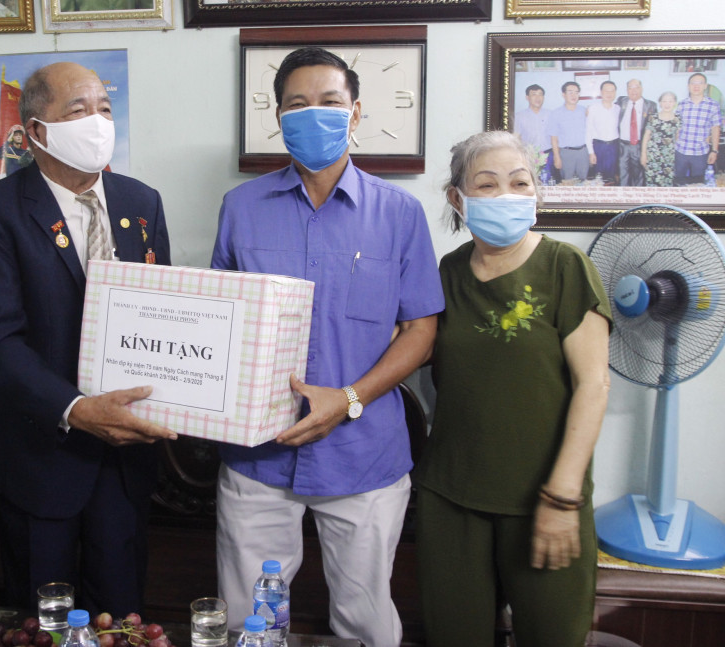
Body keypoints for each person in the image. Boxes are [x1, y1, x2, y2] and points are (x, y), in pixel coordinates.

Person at [211, 47, 443, 647]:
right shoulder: (240, 208)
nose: (314, 113)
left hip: (363, 455)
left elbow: (421, 331)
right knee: (248, 625)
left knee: (367, 623)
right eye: (298, 103)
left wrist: (349, 399)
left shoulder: (400, 213)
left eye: (330, 102)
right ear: (278, 117)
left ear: (355, 113)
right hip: (258, 457)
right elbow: (218, 319)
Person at [0, 61, 176, 615]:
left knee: (121, 617)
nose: (98, 121)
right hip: (39, 456)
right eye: (79, 111)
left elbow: (165, 317)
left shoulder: (141, 202)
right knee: (42, 621)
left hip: (124, 457)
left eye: (105, 108)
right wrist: (77, 409)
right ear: (36, 131)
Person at [415, 130, 612, 647]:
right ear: (458, 198)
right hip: (451, 495)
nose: (505, 195)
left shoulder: (566, 267)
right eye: (486, 184)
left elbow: (594, 385)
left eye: (520, 183)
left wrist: (562, 498)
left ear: (536, 192)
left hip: (545, 499)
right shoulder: (447, 272)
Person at [674, 72, 721, 185]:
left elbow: (715, 128)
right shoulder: (681, 104)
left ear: (705, 86)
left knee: (698, 184)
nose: (696, 86)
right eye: (693, 83)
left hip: (700, 153)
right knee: (678, 183)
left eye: (700, 83)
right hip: (681, 151)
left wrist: (714, 151)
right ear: (688, 86)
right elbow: (676, 127)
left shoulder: (713, 105)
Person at [615, 79, 658, 186]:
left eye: (637, 87)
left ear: (642, 88)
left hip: (639, 146)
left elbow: (654, 127)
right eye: (630, 88)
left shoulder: (651, 105)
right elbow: (608, 107)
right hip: (622, 146)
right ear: (627, 90)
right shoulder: (621, 101)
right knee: (622, 174)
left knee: (639, 176)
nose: (633, 90)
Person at [548, 81, 588, 183]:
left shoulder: (585, 111)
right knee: (567, 182)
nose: (574, 95)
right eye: (570, 92)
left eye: (576, 92)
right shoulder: (556, 113)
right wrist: (557, 157)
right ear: (563, 94)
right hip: (566, 153)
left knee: (584, 181)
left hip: (583, 152)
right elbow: (554, 138)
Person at [641, 91, 682, 187]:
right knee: (652, 183)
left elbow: (677, 137)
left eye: (670, 101)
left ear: (675, 103)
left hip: (669, 158)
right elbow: (646, 136)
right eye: (664, 101)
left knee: (667, 183)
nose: (667, 104)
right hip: (653, 157)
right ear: (660, 103)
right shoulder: (653, 117)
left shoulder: (678, 119)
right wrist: (643, 155)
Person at [513, 84, 552, 183]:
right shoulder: (519, 116)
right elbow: (516, 138)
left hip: (548, 155)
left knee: (548, 182)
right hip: (529, 155)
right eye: (534, 94)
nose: (538, 97)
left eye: (540, 94)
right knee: (530, 182)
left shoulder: (550, 114)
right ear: (527, 97)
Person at [585, 80, 620, 184]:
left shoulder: (618, 109)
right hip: (598, 147)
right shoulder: (593, 109)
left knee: (611, 178)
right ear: (601, 92)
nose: (609, 93)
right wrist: (591, 152)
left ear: (615, 93)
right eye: (606, 91)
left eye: (612, 91)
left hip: (614, 147)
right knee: (598, 179)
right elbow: (588, 131)